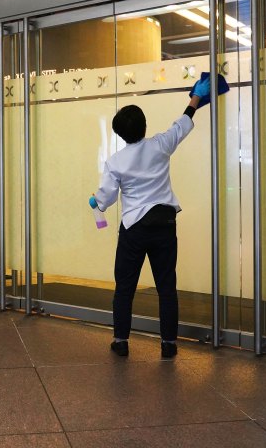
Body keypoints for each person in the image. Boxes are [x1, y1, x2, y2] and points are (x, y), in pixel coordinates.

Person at [89, 76, 210, 358]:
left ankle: (121, 341)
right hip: (165, 224)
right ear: (144, 127)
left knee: (125, 287)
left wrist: (96, 201)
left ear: (119, 134)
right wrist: (195, 96)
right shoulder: (160, 145)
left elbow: (105, 199)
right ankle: (168, 344)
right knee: (166, 286)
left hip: (134, 230)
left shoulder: (115, 161)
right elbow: (182, 124)